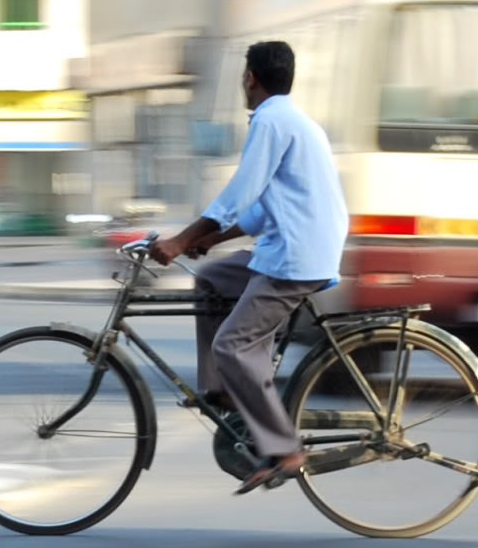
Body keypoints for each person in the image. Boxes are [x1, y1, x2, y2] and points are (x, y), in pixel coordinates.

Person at [148, 40, 349, 495]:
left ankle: (284, 450)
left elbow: (242, 189)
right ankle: (222, 391)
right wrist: (208, 240)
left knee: (233, 345)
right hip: (290, 247)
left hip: (295, 259)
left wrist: (180, 240)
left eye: (244, 75)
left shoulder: (272, 121)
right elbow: (260, 210)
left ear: (250, 78)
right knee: (213, 278)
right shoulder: (294, 120)